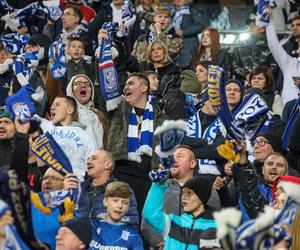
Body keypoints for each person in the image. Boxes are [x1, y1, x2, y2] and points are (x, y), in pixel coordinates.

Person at [106, 72, 167, 218]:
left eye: (131, 83)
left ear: (144, 88)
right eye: (125, 84)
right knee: (118, 216)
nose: (126, 87)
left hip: (147, 174)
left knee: (141, 219)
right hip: (120, 169)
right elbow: (106, 88)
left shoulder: (161, 117)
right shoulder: (118, 111)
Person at [141, 145, 221, 248]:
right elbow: (148, 218)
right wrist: (160, 243)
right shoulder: (161, 190)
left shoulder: (207, 189)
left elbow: (214, 217)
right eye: (173, 156)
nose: (174, 159)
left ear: (192, 163)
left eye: (180, 156)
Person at [143, 175, 221, 250]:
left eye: (189, 193)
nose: (183, 197)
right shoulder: (174, 222)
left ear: (201, 198)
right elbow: (150, 214)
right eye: (183, 193)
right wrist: (159, 184)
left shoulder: (215, 228)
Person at [35, 96, 97, 181]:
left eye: (57, 105)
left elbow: (93, 163)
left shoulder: (84, 135)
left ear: (69, 110)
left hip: (75, 184)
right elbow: (23, 111)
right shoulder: (47, 126)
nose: (52, 108)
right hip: (51, 182)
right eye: (52, 105)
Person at [85, 150, 139, 227]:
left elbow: (132, 223)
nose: (88, 162)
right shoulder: (79, 189)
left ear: (107, 164)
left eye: (94, 158)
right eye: (88, 159)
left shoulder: (123, 190)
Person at [89, 181, 144, 250]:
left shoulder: (133, 236)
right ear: (105, 201)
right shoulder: (90, 227)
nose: (120, 206)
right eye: (115, 200)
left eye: (125, 202)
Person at [231, 16, 278, 84]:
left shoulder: (271, 46)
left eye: (254, 25)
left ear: (263, 29)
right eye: (249, 25)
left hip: (265, 86)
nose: (250, 27)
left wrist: (260, 77)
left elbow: (273, 66)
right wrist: (246, 75)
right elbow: (234, 66)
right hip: (243, 85)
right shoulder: (239, 46)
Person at [66, 74, 107, 149]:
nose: (83, 86)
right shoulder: (66, 113)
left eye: (87, 84)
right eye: (78, 84)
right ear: (70, 90)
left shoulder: (98, 114)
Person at [172, 0, 205, 69]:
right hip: (175, 45)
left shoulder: (192, 10)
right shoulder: (172, 12)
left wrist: (184, 32)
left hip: (188, 44)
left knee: (187, 68)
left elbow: (200, 25)